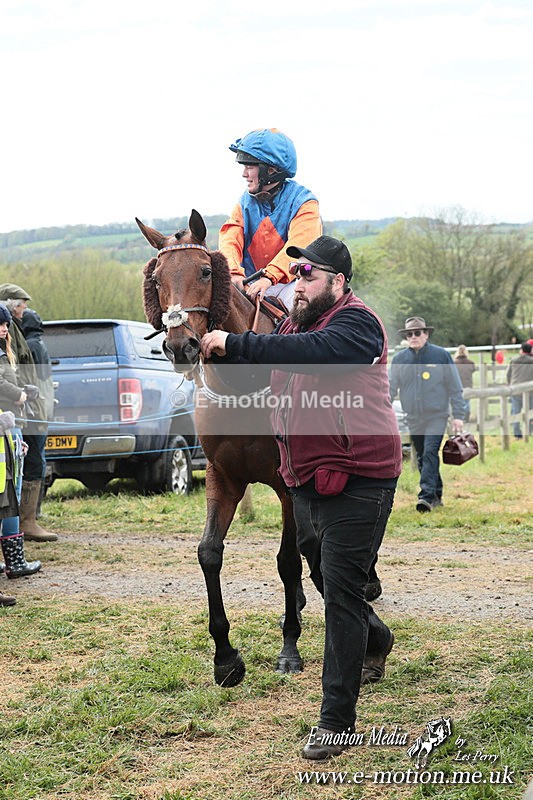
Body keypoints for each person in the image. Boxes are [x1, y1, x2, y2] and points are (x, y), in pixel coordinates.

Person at [201, 235, 402, 760]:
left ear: (337, 282)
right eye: (295, 277)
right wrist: (201, 343)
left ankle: (336, 723)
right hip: (306, 477)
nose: (299, 285)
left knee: (338, 595)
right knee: (324, 575)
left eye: (308, 277)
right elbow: (261, 364)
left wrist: (238, 343)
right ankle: (376, 639)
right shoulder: (297, 324)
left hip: (362, 479)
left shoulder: (356, 325)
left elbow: (303, 354)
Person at [219, 128, 322, 306]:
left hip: (290, 284)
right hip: (248, 281)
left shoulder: (305, 203)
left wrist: (269, 277)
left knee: (310, 311)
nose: (244, 174)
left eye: (249, 167)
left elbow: (299, 247)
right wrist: (233, 271)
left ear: (271, 170)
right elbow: (230, 239)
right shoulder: (244, 202)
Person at [0, 284, 57, 542]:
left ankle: (26, 522)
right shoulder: (9, 330)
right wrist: (20, 394)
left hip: (23, 407)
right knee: (25, 465)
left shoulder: (15, 332)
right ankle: (23, 524)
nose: (25, 310)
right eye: (22, 305)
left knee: (27, 463)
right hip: (15, 409)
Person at [390, 316, 465, 513]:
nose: (413, 336)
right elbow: (389, 388)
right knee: (424, 456)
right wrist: (380, 409)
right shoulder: (399, 360)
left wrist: (458, 415)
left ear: (426, 334)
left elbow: (455, 387)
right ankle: (437, 494)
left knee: (431, 451)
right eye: (409, 334)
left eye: (417, 333)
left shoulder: (441, 356)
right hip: (413, 416)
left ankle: (425, 497)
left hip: (437, 415)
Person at [0, 302, 41, 581]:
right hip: (5, 430)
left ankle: (14, 561)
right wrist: (20, 395)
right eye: (1, 325)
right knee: (9, 496)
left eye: (6, 325)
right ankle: (15, 563)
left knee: (9, 496)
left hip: (11, 429)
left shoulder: (5, 352)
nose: (5, 329)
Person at [21, 309, 56, 533]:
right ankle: (33, 513)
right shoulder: (40, 343)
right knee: (38, 457)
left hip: (35, 413)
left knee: (34, 458)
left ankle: (30, 516)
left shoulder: (30, 346)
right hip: (43, 411)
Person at [506, 342, 533, 439]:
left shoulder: (514, 360)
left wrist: (510, 384)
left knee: (515, 412)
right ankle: (529, 431)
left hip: (516, 390)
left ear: (521, 350)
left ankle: (517, 433)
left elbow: (508, 375)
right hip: (530, 391)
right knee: (530, 412)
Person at [453, 344, 477, 422]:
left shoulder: (454, 363)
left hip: (457, 386)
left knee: (457, 402)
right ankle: (466, 418)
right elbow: (473, 370)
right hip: (467, 385)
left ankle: (458, 418)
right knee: (466, 403)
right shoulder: (470, 363)